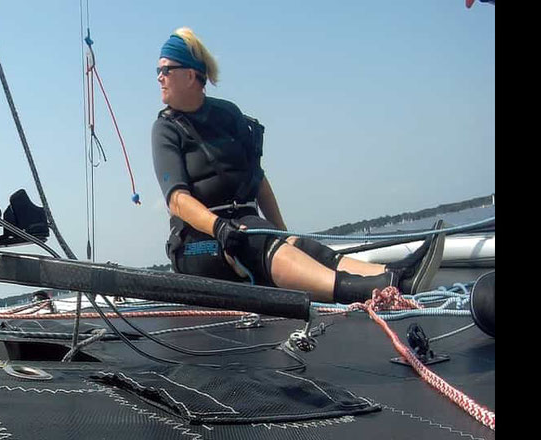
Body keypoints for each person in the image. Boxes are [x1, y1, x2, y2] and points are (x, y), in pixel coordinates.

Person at [151, 28, 445, 304]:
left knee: (297, 245)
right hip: (197, 244)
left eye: (165, 69)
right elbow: (177, 200)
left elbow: (259, 182)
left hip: (248, 226)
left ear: (190, 75)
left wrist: (284, 236)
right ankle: (371, 289)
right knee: (253, 241)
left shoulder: (228, 115)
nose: (159, 77)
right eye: (158, 71)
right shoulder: (165, 129)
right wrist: (220, 228)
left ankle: (397, 274)